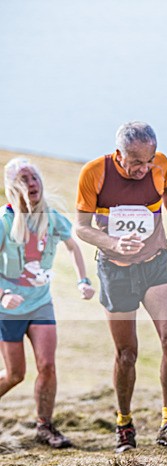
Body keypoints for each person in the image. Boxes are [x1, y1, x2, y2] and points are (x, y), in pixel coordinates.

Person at [75, 121, 167, 453]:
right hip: (116, 271)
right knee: (127, 355)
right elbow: (81, 228)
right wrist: (112, 241)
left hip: (156, 263)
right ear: (119, 154)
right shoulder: (94, 173)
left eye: (149, 160)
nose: (144, 169)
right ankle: (124, 424)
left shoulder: (159, 166)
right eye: (135, 162)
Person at [1, 157, 96, 448]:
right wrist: (4, 294)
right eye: (24, 179)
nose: (32, 184)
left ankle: (45, 427)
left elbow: (72, 246)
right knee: (15, 374)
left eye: (35, 178)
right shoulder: (5, 222)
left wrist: (83, 280)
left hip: (41, 304)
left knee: (48, 366)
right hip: (9, 310)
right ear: (13, 187)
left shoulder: (52, 217)